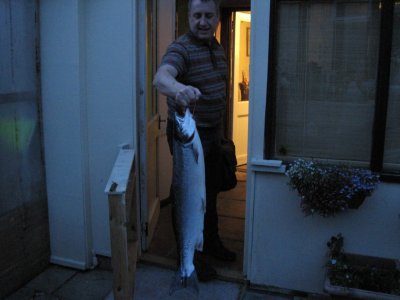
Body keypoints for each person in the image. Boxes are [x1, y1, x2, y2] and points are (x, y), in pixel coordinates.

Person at [153, 0, 236, 281]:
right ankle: (189, 258)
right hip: (188, 138)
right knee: (186, 196)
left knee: (208, 195)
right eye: (197, 15)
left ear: (217, 18)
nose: (203, 21)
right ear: (189, 17)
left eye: (208, 16)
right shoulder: (181, 48)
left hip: (213, 134)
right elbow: (161, 78)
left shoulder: (217, 48)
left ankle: (210, 242)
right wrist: (179, 89)